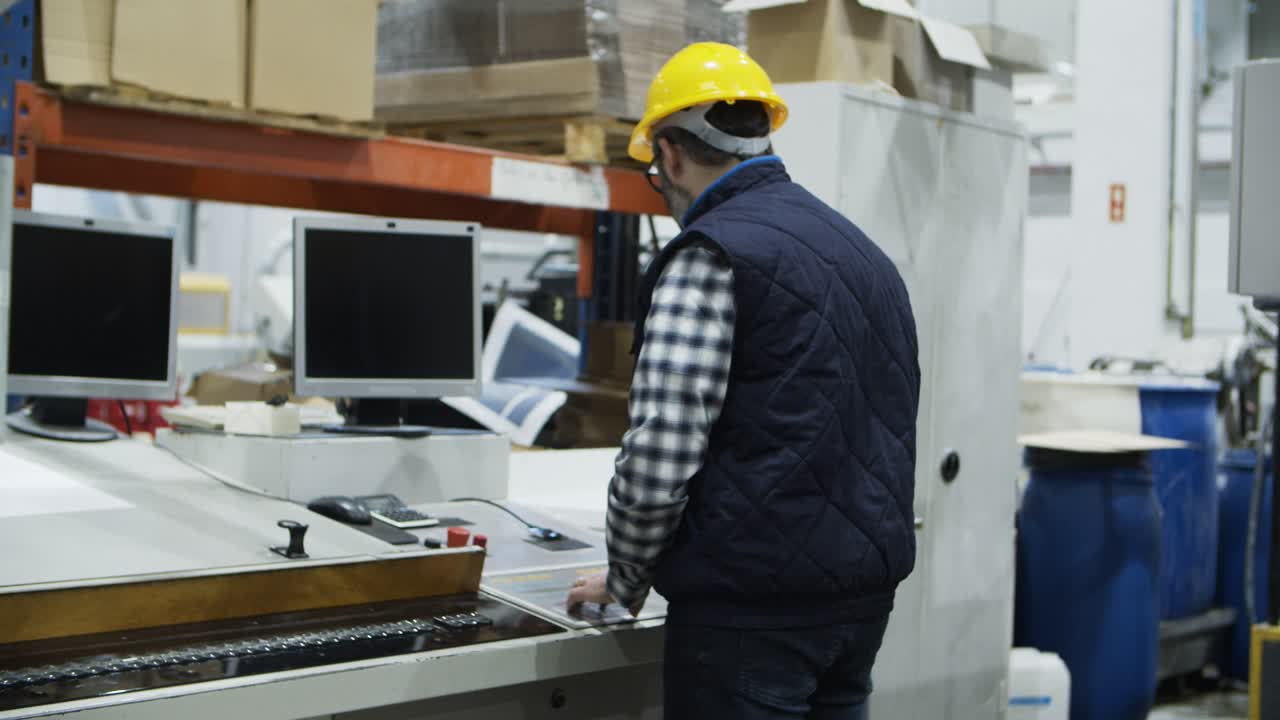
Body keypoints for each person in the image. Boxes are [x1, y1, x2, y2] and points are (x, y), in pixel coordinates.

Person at [566, 42, 921, 720]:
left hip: (750, 614)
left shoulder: (711, 255)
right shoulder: (862, 252)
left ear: (669, 154)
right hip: (860, 604)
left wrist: (624, 576)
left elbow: (658, 460)